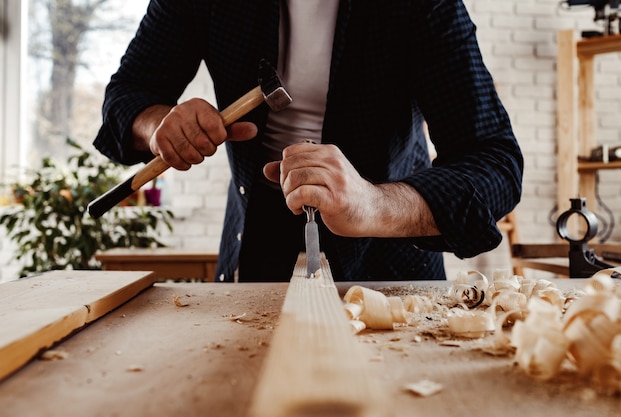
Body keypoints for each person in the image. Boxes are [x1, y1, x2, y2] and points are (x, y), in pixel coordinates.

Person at [94, 0, 524, 283]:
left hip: (389, 246)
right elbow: (127, 95)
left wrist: (373, 204)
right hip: (257, 234)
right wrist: (157, 126)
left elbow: (495, 163)